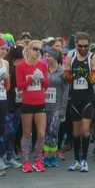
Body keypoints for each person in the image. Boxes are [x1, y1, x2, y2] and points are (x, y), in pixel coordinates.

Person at [64, 32, 95, 172]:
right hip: (74, 99)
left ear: (89, 45)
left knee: (85, 130)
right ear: (76, 45)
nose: (83, 49)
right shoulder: (70, 57)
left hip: (88, 99)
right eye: (80, 46)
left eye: (86, 46)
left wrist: (84, 74)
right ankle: (76, 160)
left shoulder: (93, 57)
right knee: (76, 132)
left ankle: (84, 160)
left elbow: (94, 80)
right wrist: (74, 75)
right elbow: (67, 77)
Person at [16, 40, 48, 173]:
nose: (37, 52)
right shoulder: (20, 66)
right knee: (27, 133)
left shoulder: (42, 65)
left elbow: (46, 85)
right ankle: (26, 161)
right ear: (28, 49)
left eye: (39, 50)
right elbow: (19, 87)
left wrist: (41, 79)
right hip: (27, 103)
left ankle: (38, 160)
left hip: (40, 102)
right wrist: (30, 79)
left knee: (41, 134)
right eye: (35, 49)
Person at [43, 48, 69, 167]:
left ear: (55, 57)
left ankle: (52, 156)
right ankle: (45, 155)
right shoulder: (43, 70)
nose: (47, 58)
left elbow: (65, 92)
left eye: (49, 56)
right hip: (43, 106)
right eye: (46, 56)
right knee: (44, 132)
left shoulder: (62, 72)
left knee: (53, 131)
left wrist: (63, 109)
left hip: (57, 106)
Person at [0, 38, 10, 176]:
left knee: (1, 128)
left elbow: (7, 83)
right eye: (1, 48)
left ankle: (0, 157)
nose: (3, 51)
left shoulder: (6, 63)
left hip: (2, 98)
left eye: (5, 49)